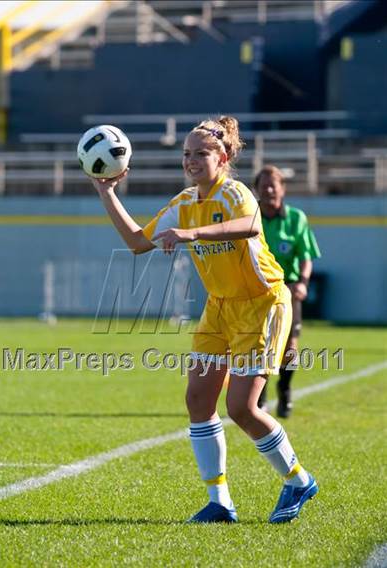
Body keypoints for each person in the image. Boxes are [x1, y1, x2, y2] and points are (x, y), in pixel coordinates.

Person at [89, 116, 318, 524]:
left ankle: (298, 480)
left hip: (262, 303)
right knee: (197, 399)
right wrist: (107, 193)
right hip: (220, 307)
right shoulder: (184, 203)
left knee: (242, 408)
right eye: (186, 154)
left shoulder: (235, 194)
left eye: (201, 153)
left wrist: (191, 235)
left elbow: (250, 226)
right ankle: (219, 502)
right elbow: (138, 242)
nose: (191, 161)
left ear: (223, 156)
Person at [255, 165, 321, 418]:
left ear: (282, 189)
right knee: (257, 344)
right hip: (257, 292)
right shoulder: (250, 218)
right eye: (263, 186)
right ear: (257, 190)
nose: (269, 190)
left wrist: (303, 281)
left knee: (290, 346)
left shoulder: (296, 218)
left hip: (289, 289)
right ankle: (259, 398)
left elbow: (307, 256)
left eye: (273, 185)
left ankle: (285, 389)